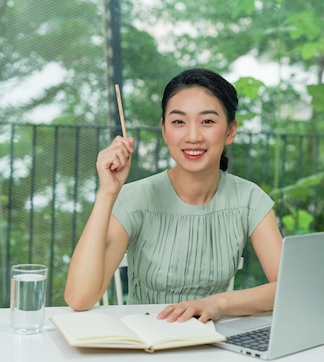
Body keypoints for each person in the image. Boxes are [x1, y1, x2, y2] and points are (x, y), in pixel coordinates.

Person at [64, 68, 282, 323]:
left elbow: (289, 287)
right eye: (179, 122)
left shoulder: (249, 199)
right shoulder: (135, 198)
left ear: (230, 131)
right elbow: (79, 298)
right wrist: (107, 193)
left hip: (213, 345)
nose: (192, 136)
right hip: (146, 345)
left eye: (208, 122)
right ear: (165, 130)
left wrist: (219, 303)